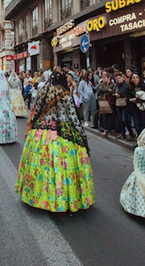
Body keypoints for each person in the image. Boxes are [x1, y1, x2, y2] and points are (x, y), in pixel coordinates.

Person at [16, 70, 95, 212]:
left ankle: (37, 194)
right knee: (64, 164)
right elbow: (73, 117)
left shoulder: (43, 91)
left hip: (41, 131)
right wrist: (82, 135)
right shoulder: (65, 94)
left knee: (40, 164)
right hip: (63, 131)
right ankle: (64, 197)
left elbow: (37, 110)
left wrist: (32, 125)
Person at [128, 72, 145, 137]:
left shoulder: (144, 86)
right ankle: (139, 139)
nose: (135, 79)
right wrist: (131, 100)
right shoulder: (130, 88)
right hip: (134, 108)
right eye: (133, 78)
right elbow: (127, 97)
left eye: (137, 77)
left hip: (143, 107)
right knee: (137, 125)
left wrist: (138, 99)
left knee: (144, 124)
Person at [114, 71, 134, 140]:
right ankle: (123, 134)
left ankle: (131, 133)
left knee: (124, 119)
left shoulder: (125, 84)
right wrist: (115, 94)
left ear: (122, 77)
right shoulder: (116, 85)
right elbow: (114, 91)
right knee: (120, 120)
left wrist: (120, 94)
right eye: (116, 79)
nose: (118, 80)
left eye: (119, 78)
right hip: (118, 103)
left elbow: (126, 93)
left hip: (125, 104)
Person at [97, 71, 116, 136]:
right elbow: (100, 89)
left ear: (109, 78)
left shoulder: (112, 84)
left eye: (105, 78)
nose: (104, 79)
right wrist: (108, 90)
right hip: (104, 100)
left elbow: (112, 91)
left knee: (112, 116)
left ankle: (112, 129)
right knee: (105, 116)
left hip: (111, 101)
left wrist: (106, 90)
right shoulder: (102, 84)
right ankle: (106, 130)